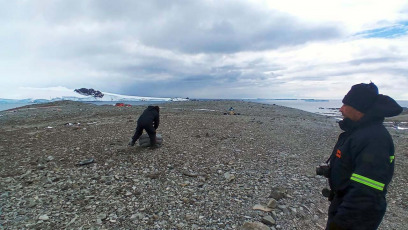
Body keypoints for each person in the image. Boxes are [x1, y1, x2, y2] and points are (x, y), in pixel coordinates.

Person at [324, 82, 402, 230]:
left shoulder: (375, 139)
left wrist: (341, 224)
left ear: (359, 109)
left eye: (345, 105)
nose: (340, 109)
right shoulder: (358, 132)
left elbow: (366, 193)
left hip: (356, 217)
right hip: (343, 203)